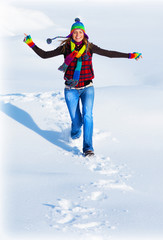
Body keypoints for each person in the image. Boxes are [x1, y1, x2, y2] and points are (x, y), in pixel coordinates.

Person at [23, 18, 142, 157]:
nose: (78, 35)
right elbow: (44, 55)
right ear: (71, 34)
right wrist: (31, 44)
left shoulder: (90, 47)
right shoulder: (65, 48)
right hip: (70, 89)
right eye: (75, 32)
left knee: (88, 116)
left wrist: (130, 55)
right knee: (77, 122)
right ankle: (74, 132)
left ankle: (88, 148)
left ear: (84, 34)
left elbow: (109, 54)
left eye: (80, 32)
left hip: (87, 88)